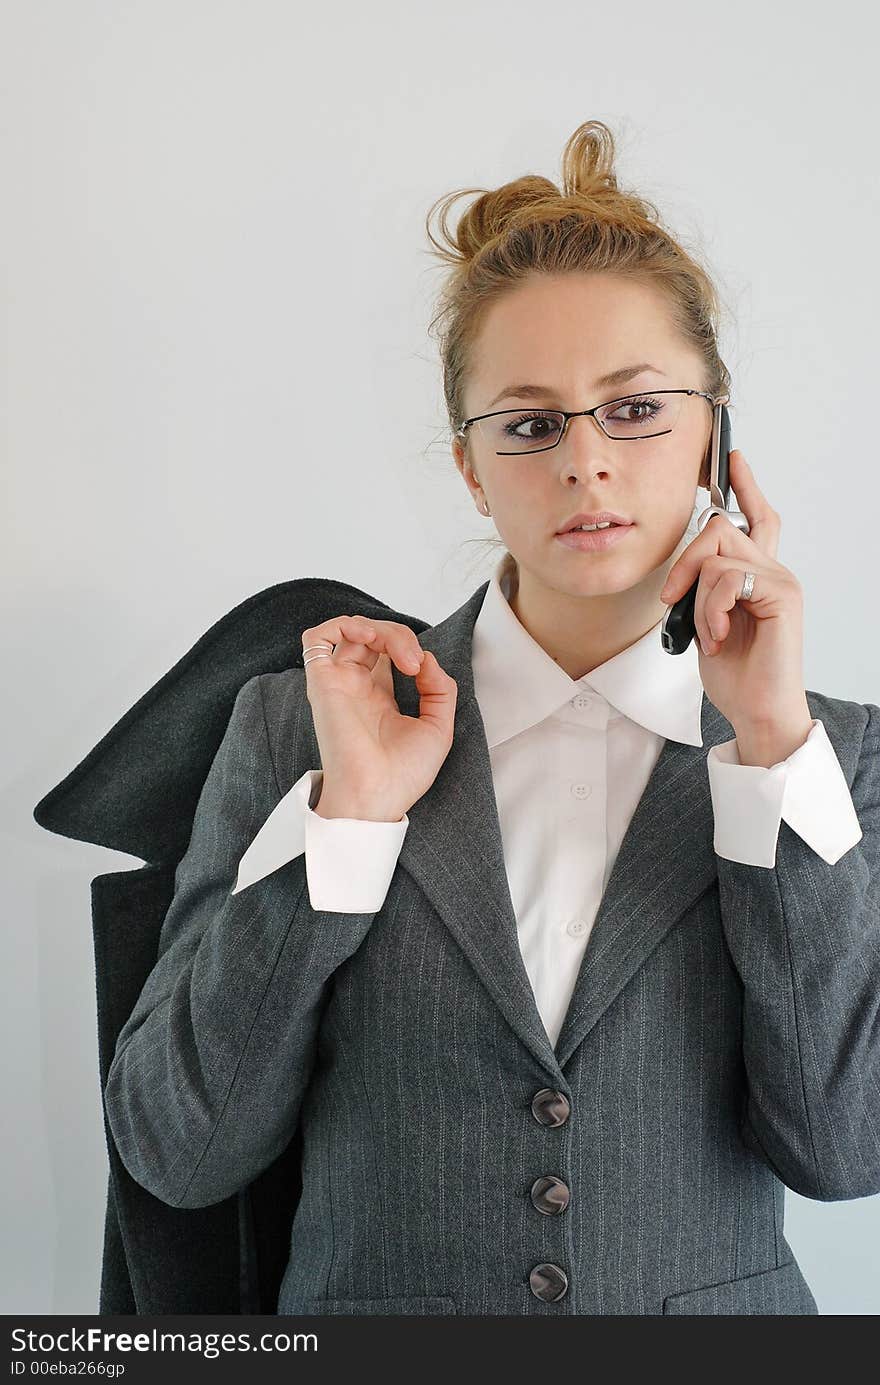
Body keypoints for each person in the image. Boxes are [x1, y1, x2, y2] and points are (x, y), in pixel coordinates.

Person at [103, 119, 878, 1316]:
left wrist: (770, 747)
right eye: (527, 424)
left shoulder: (837, 758)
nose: (585, 465)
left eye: (634, 410)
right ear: (470, 468)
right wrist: (350, 813)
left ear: (717, 435)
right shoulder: (298, 727)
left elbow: (843, 1146)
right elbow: (179, 1147)